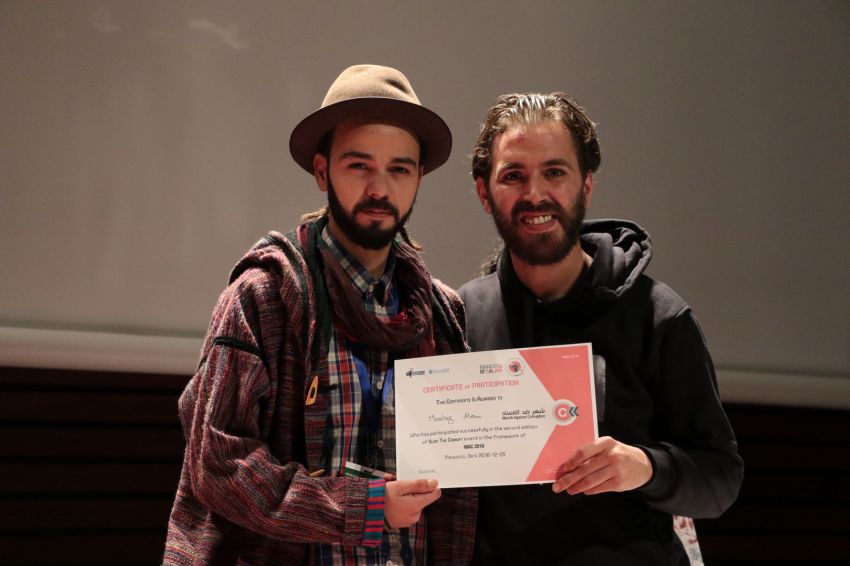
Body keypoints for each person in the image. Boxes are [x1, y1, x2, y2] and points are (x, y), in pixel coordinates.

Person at [164, 64, 475, 565]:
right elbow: (219, 463)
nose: (380, 188)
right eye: (359, 165)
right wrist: (363, 509)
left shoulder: (440, 313)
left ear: (418, 178)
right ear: (322, 170)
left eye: (399, 169)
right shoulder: (263, 298)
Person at [458, 92, 744, 565]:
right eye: (513, 176)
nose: (535, 194)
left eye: (555, 172)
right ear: (484, 193)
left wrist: (645, 467)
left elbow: (721, 479)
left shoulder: (658, 316)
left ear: (586, 185)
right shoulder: (460, 317)